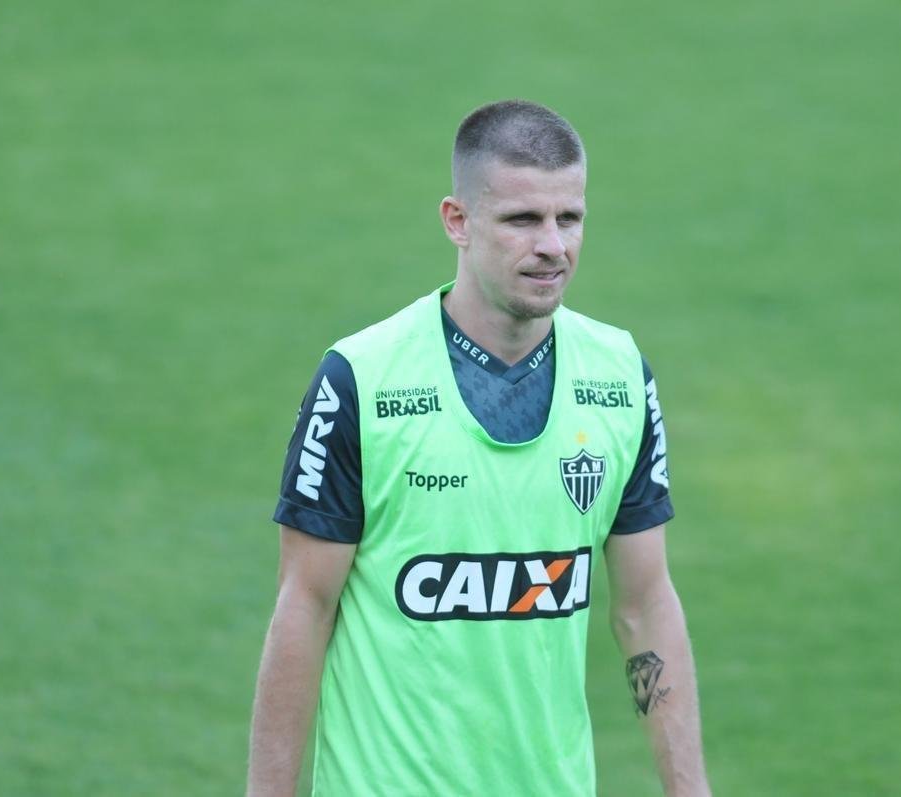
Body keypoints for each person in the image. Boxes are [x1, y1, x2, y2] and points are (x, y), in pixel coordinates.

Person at [247, 99, 711, 797]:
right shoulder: (362, 380)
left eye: (570, 217)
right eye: (523, 219)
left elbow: (645, 605)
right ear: (457, 222)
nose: (554, 244)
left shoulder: (617, 374)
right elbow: (304, 608)